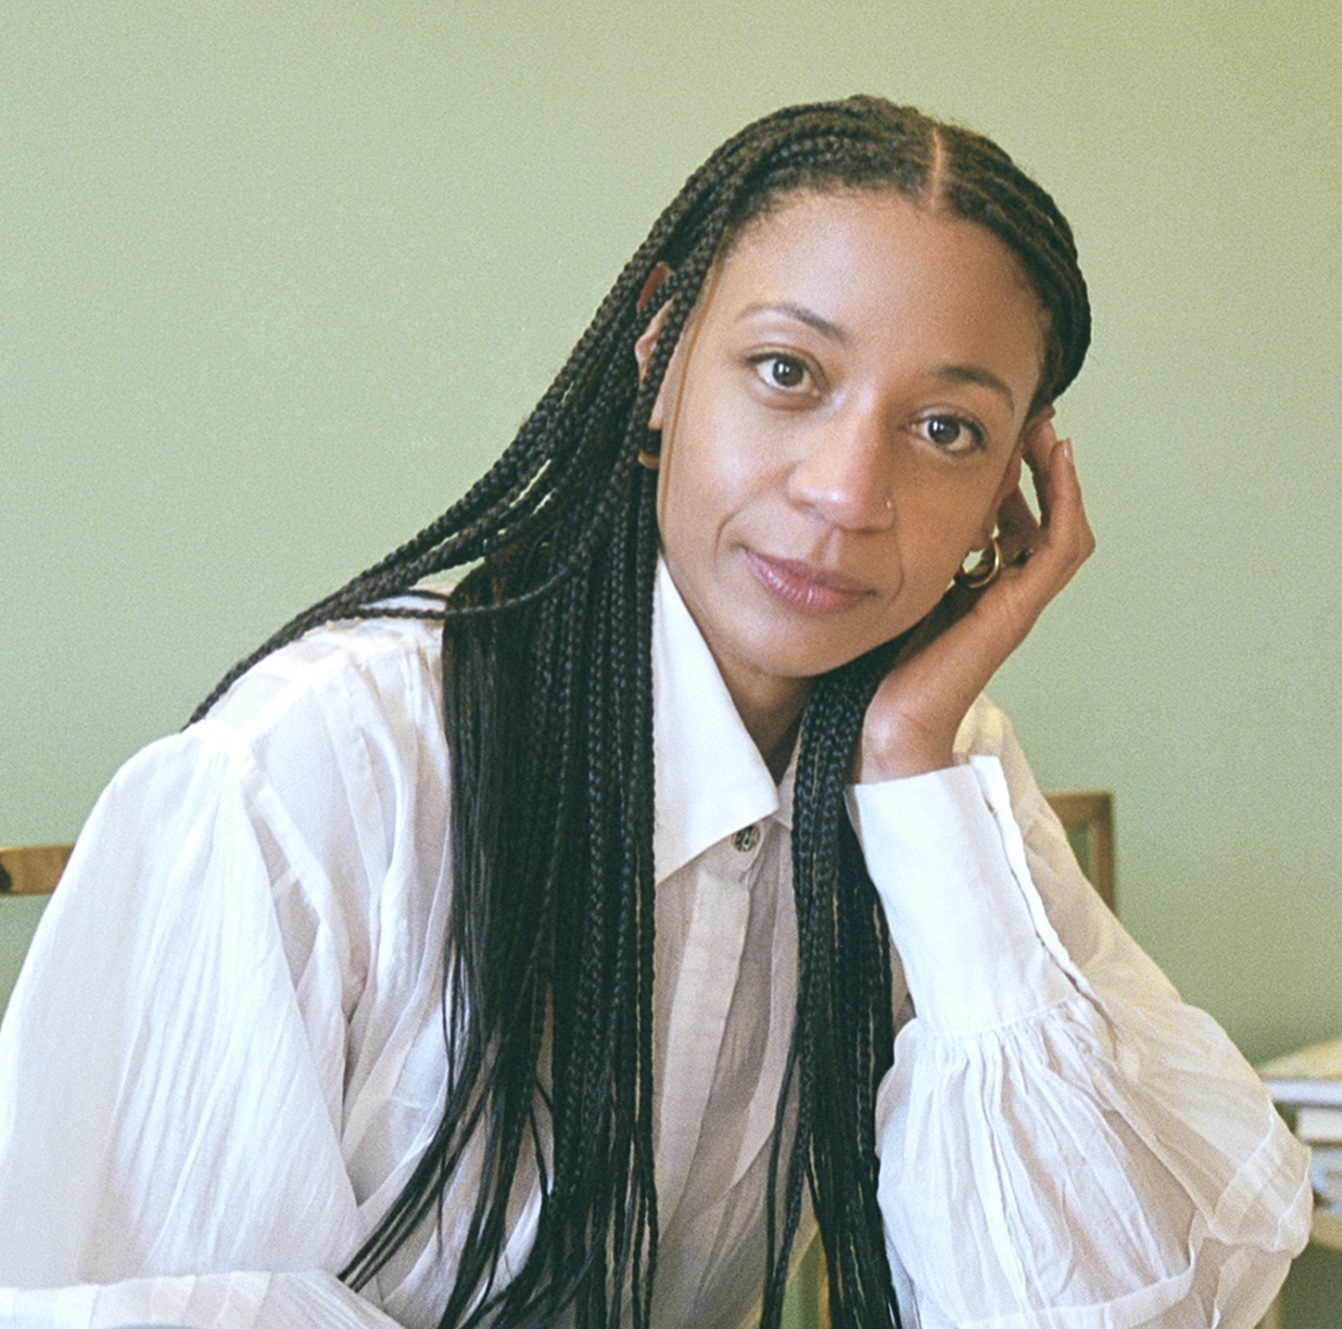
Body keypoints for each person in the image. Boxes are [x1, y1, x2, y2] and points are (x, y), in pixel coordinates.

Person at [0, 96, 1311, 1329]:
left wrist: (913, 774)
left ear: (1020, 491)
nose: (848, 492)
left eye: (944, 429)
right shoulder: (326, 763)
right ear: (661, 351)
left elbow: (1121, 1301)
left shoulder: (931, 771)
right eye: (787, 370)